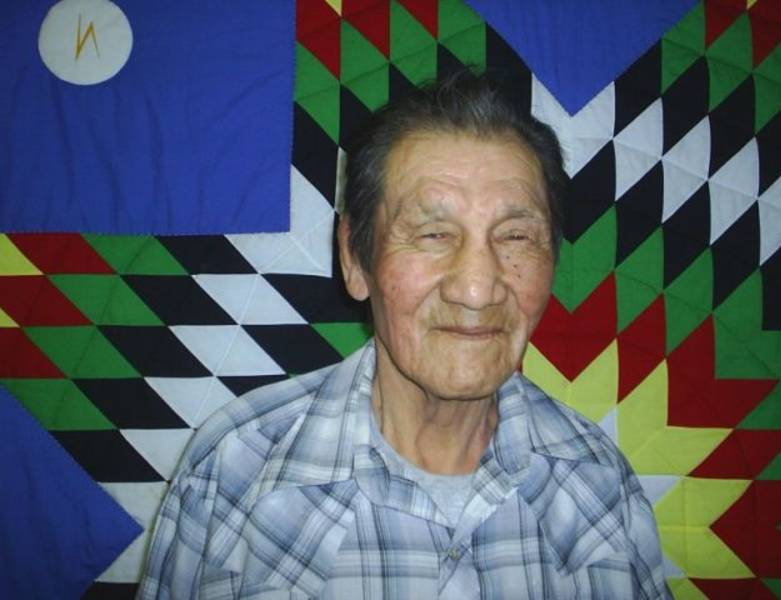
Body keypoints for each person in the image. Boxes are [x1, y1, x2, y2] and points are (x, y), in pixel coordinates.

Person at [138, 72, 671, 599]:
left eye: (516, 236)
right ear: (355, 258)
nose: (477, 289)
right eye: (433, 234)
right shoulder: (233, 471)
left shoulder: (601, 485)